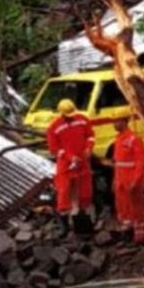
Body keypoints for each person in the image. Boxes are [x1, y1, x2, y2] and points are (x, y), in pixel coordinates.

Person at [46, 99, 95, 236]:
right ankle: (65, 226)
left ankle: (81, 220)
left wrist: (89, 148)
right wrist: (69, 157)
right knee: (64, 192)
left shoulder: (83, 120)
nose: (71, 117)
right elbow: (54, 149)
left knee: (84, 191)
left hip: (82, 161)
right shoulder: (54, 127)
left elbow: (90, 136)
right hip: (66, 164)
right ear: (61, 114)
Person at [112, 116, 144, 244]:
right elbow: (118, 162)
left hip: (131, 177)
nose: (114, 124)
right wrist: (115, 180)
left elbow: (140, 161)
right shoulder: (118, 139)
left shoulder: (134, 139)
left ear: (124, 121)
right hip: (120, 178)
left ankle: (139, 232)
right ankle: (126, 230)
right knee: (122, 205)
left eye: (116, 121)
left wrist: (136, 179)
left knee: (136, 205)